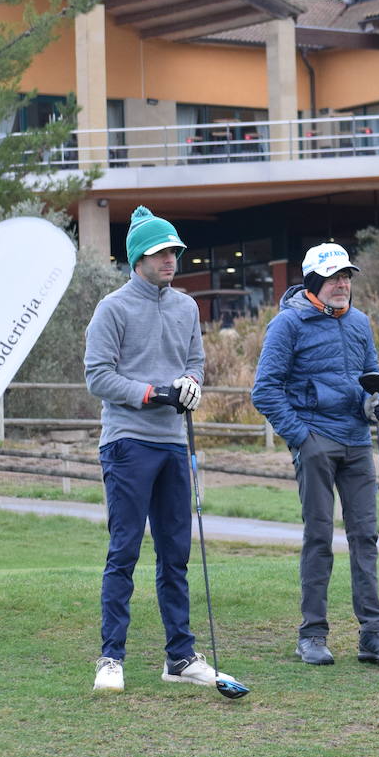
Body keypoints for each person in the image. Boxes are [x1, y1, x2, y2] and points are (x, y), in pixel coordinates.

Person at [84, 205, 236, 693]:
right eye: (159, 252)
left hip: (172, 442)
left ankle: (180, 657)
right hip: (127, 441)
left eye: (173, 250)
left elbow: (195, 361)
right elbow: (98, 376)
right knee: (124, 550)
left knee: (175, 554)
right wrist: (150, 392)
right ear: (138, 259)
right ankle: (111, 658)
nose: (170, 258)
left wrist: (191, 384)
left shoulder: (186, 307)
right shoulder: (113, 307)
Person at [251, 243, 379, 667]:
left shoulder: (359, 323)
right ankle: (312, 635)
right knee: (319, 538)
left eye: (348, 276)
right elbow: (264, 390)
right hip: (315, 442)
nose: (343, 284)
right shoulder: (288, 325)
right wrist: (303, 437)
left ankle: (372, 636)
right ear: (315, 280)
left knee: (365, 538)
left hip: (356, 442)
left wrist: (374, 405)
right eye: (335, 277)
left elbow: (370, 380)